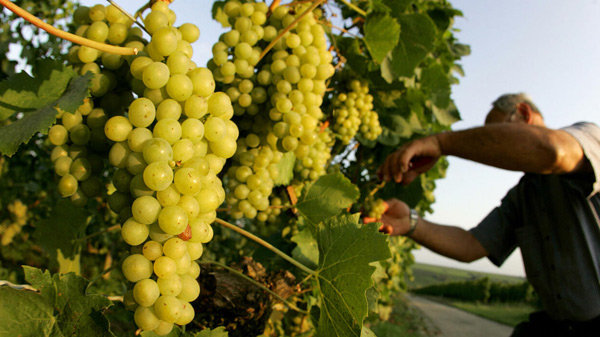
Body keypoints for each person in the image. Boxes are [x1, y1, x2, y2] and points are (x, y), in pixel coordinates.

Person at [376, 93, 600, 337]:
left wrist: (442, 144)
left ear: (524, 114)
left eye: (494, 132)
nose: (490, 145)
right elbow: (471, 245)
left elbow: (552, 151)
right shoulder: (524, 195)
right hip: (554, 326)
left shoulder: (588, 137)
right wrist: (411, 223)